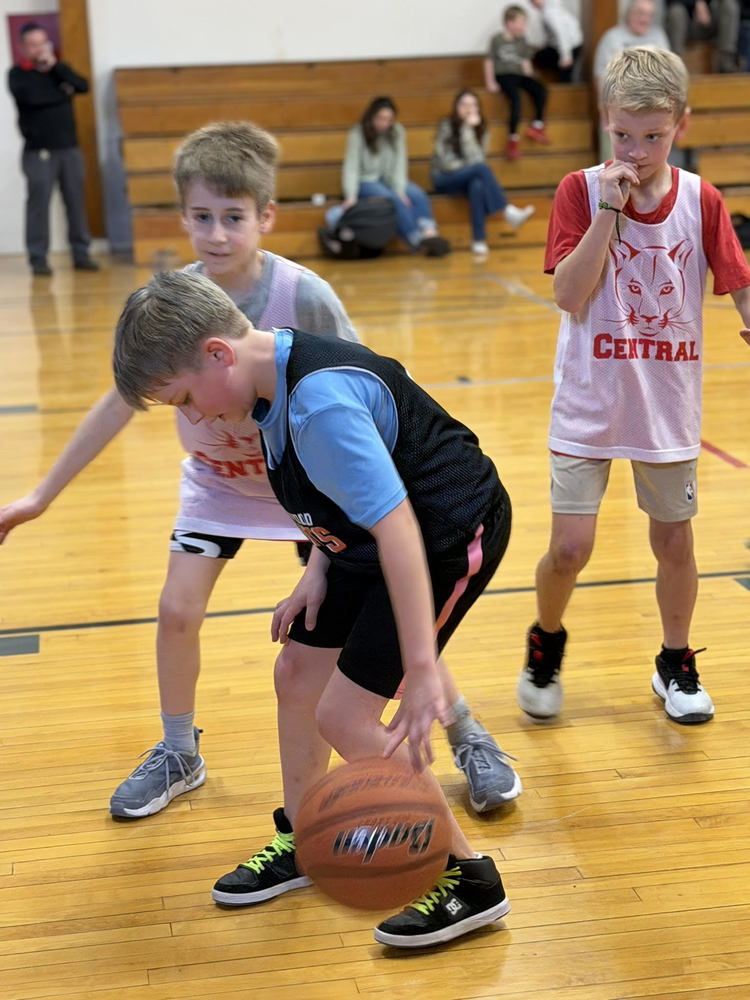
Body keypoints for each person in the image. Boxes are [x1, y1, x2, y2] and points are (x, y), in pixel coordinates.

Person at [0, 120, 520, 819]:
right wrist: (40, 495)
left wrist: (325, 547)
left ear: (264, 218)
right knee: (177, 610)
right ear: (182, 216)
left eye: (232, 218)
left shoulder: (300, 297)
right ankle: (180, 750)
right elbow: (119, 403)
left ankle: (461, 729)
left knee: (381, 618)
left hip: (312, 487)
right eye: (202, 217)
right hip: (222, 484)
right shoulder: (174, 306)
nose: (216, 234)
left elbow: (362, 393)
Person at [112, 267, 514, 948]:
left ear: (217, 353)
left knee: (345, 715)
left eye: (183, 398)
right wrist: (319, 567)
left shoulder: (316, 404)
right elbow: (332, 491)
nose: (194, 416)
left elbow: (401, 534)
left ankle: (471, 878)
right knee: (296, 677)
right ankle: (307, 838)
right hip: (365, 543)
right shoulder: (265, 377)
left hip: (443, 536)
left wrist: (421, 668)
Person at [518, 46, 750, 726]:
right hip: (590, 401)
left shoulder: (702, 199)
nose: (638, 149)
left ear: (680, 122)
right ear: (605, 122)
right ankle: (545, 642)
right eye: (624, 134)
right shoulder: (578, 191)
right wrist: (608, 213)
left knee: (674, 541)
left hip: (666, 405)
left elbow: (736, 279)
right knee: (571, 548)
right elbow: (567, 293)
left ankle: (674, 663)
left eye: (654, 135)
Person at [7, 22, 98, 277]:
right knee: (39, 205)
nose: (40, 49)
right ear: (23, 47)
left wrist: (56, 69)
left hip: (69, 149)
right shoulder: (17, 74)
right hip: (39, 152)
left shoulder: (60, 70)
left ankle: (81, 254)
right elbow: (33, 98)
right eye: (34, 44)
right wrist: (61, 91)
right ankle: (38, 259)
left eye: (42, 43)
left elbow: (82, 86)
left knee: (75, 202)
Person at [338, 96, 450, 256]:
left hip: (389, 181)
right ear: (371, 116)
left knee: (418, 195)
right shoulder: (358, 133)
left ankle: (430, 233)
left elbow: (400, 163)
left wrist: (400, 189)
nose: (384, 123)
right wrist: (350, 195)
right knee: (393, 200)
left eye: (388, 119)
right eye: (380, 118)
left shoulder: (397, 131)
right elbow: (351, 166)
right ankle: (416, 240)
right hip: (366, 181)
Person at [431, 89, 535, 256]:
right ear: (456, 107)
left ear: (478, 108)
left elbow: (477, 158)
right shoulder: (446, 125)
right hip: (444, 179)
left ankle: (478, 240)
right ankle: (507, 210)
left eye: (472, 105)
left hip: (468, 179)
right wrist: (465, 130)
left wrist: (468, 131)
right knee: (480, 170)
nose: (468, 109)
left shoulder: (481, 129)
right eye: (464, 104)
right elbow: (445, 162)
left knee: (478, 185)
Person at [593, 1, 672, 161]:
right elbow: (601, 77)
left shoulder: (659, 36)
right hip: (620, 112)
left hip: (652, 113)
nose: (646, 19)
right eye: (641, 13)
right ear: (628, 14)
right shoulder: (612, 38)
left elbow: (669, 75)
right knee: (615, 167)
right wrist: (605, 111)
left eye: (650, 14)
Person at [484, 5, 550, 161]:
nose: (524, 27)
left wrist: (531, 77)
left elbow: (526, 62)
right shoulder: (497, 40)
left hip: (519, 75)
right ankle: (513, 138)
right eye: (521, 23)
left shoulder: (522, 40)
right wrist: (490, 81)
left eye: (524, 23)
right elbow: (489, 61)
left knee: (541, 90)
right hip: (504, 75)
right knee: (516, 98)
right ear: (509, 23)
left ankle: (537, 125)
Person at [665, 0, 740, 72]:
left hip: (711, 22)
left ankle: (726, 63)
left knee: (729, 5)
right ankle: (676, 66)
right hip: (687, 25)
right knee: (676, 11)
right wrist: (697, 2)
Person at [528, 0, 584, 82]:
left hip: (569, 47)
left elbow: (562, 34)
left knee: (564, 75)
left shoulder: (550, 12)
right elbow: (552, 36)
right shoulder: (550, 9)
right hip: (569, 46)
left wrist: (566, 56)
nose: (533, 3)